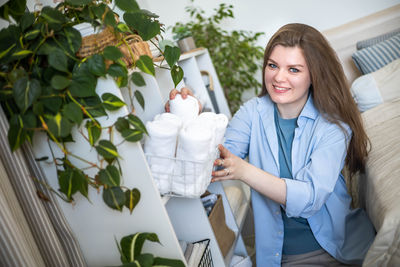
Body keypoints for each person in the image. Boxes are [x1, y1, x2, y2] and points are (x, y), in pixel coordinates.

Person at [166, 23, 375, 266]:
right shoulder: (252, 112)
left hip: (336, 251)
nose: (278, 77)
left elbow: (309, 199)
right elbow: (215, 160)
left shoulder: (332, 126)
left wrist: (244, 171)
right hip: (280, 257)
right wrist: (191, 119)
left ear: (314, 76)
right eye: (273, 65)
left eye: (293, 69)